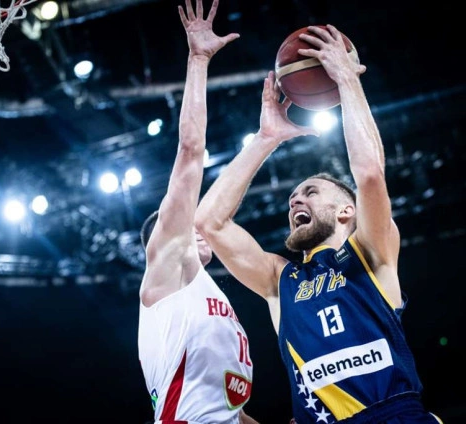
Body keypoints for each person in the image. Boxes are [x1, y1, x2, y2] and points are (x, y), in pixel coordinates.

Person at [195, 24, 443, 424]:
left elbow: (369, 174)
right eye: (293, 198)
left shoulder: (372, 252)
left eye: (310, 191)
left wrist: (346, 79)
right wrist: (265, 138)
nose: (295, 199)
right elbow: (209, 222)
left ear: (347, 211)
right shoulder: (280, 280)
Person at [137, 1, 259, 423]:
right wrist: (199, 60)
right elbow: (191, 151)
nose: (196, 224)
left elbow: (233, 414)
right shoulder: (166, 268)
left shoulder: (208, 296)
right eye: (185, 223)